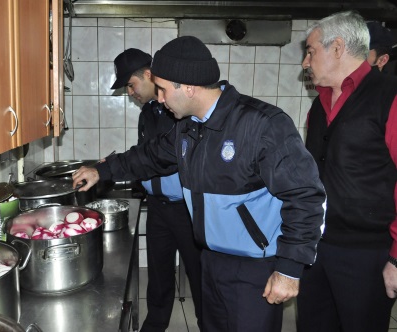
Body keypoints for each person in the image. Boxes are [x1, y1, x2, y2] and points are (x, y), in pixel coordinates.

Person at [73, 36, 326, 332]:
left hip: (254, 268)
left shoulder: (262, 125)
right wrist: (102, 170)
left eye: (164, 89)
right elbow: (149, 156)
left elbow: (307, 196)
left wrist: (289, 268)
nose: (161, 98)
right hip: (210, 260)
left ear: (188, 87)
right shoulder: (188, 127)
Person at [298, 11, 397, 332]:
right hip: (317, 247)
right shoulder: (318, 106)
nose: (305, 62)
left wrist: (396, 259)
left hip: (368, 255)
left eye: (311, 51)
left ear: (338, 48)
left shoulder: (389, 97)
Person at [110, 48, 202, 331]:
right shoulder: (147, 113)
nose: (130, 92)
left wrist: (116, 167)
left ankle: (209, 325)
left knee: (200, 277)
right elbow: (146, 154)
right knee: (159, 278)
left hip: (187, 210)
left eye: (131, 84)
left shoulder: (178, 109)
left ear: (148, 75)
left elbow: (163, 156)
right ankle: (154, 326)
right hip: (159, 208)